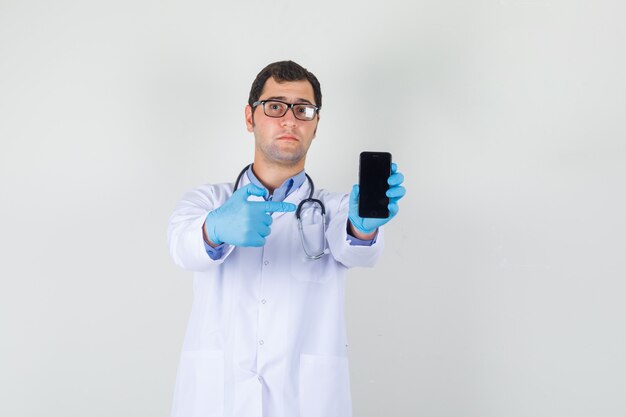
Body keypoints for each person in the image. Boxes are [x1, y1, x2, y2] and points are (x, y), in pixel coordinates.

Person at [167, 60, 406, 417]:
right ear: (250, 118)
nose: (290, 120)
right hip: (218, 399)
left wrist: (363, 226)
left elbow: (355, 249)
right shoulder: (208, 202)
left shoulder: (335, 208)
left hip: (305, 401)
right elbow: (181, 247)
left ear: (316, 124)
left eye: (303, 109)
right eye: (275, 106)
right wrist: (214, 229)